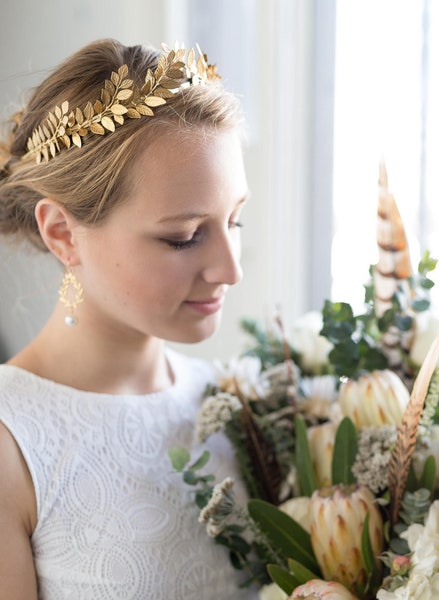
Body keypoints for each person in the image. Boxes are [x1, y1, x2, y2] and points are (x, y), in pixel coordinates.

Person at [0, 39, 256, 599]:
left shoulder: (238, 408)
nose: (230, 270)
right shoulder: (9, 443)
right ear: (63, 233)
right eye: (185, 237)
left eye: (234, 220)